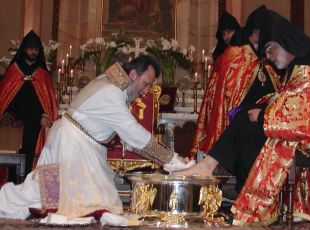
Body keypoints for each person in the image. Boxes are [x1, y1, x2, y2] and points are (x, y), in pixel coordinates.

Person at [175, 10, 310, 225]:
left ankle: (221, 176)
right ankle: (221, 176)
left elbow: (299, 113)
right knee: (245, 124)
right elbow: (289, 102)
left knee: (248, 126)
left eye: (270, 49)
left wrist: (263, 114)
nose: (269, 56)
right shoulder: (298, 66)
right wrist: (260, 110)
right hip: (305, 127)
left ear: (284, 44)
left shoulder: (306, 70)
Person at [0, 55, 194, 220]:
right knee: (98, 204)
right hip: (73, 146)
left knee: (41, 196)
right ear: (133, 75)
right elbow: (135, 136)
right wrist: (172, 160)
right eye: (146, 84)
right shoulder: (112, 93)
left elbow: (126, 133)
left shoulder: (110, 81)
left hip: (65, 139)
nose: (145, 92)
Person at [189, 6, 280, 159]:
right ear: (249, 33)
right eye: (255, 34)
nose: (258, 38)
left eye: (261, 34)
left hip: (263, 125)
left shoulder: (267, 54)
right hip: (241, 124)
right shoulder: (236, 53)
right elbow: (229, 94)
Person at [0, 30, 58, 184]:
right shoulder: (13, 70)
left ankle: (30, 188)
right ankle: (11, 187)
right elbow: (5, 98)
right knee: (13, 156)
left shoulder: (43, 74)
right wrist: (7, 115)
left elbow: (49, 101)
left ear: (39, 51)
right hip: (14, 123)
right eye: (30, 48)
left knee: (31, 155)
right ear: (24, 49)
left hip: (36, 124)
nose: (32, 52)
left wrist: (46, 115)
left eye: (36, 49)